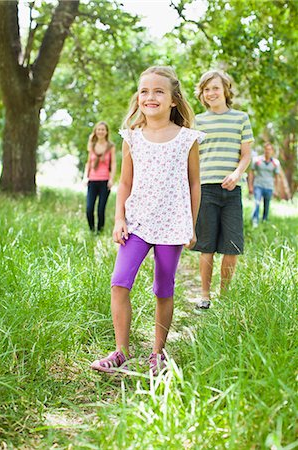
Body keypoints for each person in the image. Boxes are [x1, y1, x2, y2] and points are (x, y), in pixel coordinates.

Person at [91, 66, 205, 375]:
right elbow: (124, 182)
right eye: (144, 91)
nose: (150, 96)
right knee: (119, 282)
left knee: (163, 289)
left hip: (171, 225)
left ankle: (158, 353)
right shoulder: (132, 137)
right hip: (137, 222)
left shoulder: (187, 139)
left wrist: (191, 225)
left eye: (158, 91)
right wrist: (119, 219)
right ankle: (121, 352)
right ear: (138, 97)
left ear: (172, 100)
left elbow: (195, 183)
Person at [193, 70, 254, 309]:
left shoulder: (241, 118)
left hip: (232, 191)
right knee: (206, 245)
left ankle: (225, 297)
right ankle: (205, 296)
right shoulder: (198, 121)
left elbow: (246, 155)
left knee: (232, 246)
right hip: (205, 188)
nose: (211, 93)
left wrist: (237, 174)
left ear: (226, 90)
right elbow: (192, 158)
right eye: (206, 89)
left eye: (215, 88)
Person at [84, 121, 116, 233]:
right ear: (95, 131)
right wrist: (85, 177)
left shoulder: (110, 146)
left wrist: (111, 179)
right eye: (98, 129)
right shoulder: (91, 145)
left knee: (101, 209)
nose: (101, 131)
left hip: (104, 181)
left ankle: (100, 231)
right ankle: (92, 230)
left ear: (106, 132)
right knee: (89, 209)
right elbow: (88, 163)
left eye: (103, 129)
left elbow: (113, 164)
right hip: (92, 181)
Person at [249, 142, 280, 226]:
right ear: (264, 150)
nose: (267, 151)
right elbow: (251, 173)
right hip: (258, 185)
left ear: (272, 151)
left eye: (269, 149)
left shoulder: (275, 163)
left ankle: (264, 221)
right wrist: (250, 186)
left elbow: (277, 177)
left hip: (269, 187)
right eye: (266, 149)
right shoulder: (257, 160)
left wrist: (276, 189)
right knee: (257, 203)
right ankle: (255, 221)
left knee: (267, 205)